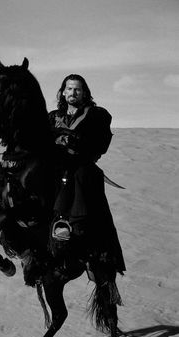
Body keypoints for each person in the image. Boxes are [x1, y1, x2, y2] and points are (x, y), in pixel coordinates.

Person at [49, 74, 126, 275]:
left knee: (80, 174)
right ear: (63, 92)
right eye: (69, 89)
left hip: (80, 164)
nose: (73, 92)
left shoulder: (95, 114)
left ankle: (64, 222)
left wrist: (73, 141)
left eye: (77, 89)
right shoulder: (52, 116)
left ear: (84, 93)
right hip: (55, 164)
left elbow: (100, 144)